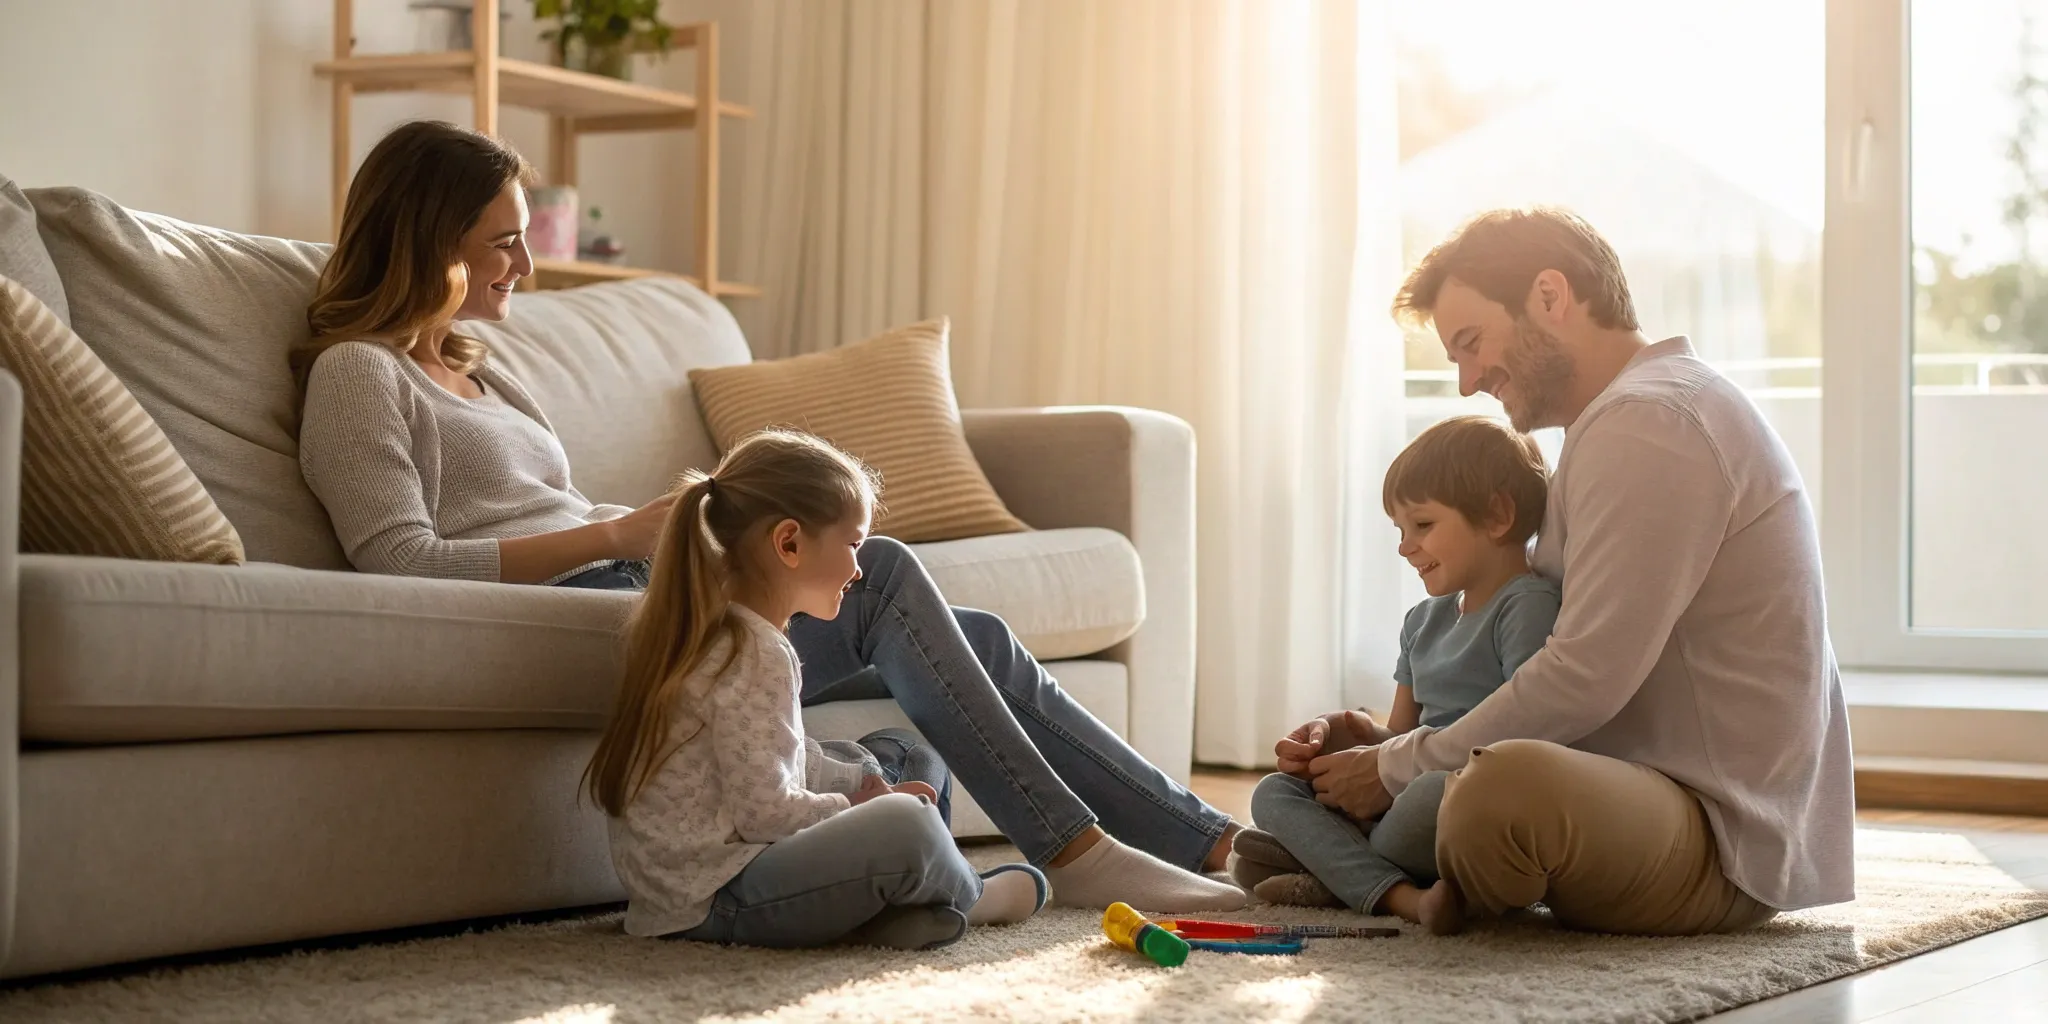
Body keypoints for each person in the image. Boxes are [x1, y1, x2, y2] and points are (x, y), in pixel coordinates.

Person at [293, 119, 1245, 913]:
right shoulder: (359, 374)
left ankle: (1212, 847)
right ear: (428, 238)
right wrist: (625, 536)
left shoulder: (482, 369)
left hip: (648, 581)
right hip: (604, 611)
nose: (527, 266)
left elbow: (558, 507)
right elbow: (400, 563)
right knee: (893, 577)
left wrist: (663, 532)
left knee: (979, 637)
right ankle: (1074, 852)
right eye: (504, 239)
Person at [1286, 207, 1854, 937]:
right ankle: (1356, 855)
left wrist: (1396, 768)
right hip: (1659, 801)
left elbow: (1583, 677)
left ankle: (1355, 863)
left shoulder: (1652, 423)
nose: (1465, 383)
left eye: (1471, 343)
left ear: (1550, 296)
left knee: (1498, 790)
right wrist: (1385, 744)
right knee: (1442, 780)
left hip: (1716, 837)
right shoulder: (1624, 421)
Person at [583, 428, 1045, 948]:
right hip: (718, 897)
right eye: (853, 544)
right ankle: (969, 894)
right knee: (903, 824)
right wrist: (862, 807)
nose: (859, 567)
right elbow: (765, 815)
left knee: (904, 752)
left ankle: (897, 910)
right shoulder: (752, 651)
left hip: (713, 886)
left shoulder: (720, 632)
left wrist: (858, 781)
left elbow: (786, 758)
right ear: (789, 543)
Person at [1232, 416, 1558, 929]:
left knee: (1436, 794)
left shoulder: (1526, 605)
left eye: (1423, 525)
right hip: (1399, 800)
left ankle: (1338, 872)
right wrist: (1349, 733)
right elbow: (1398, 736)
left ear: (1496, 515)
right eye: (1400, 530)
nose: (1406, 546)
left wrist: (1394, 766)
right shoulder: (1421, 621)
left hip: (1454, 794)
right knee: (1271, 793)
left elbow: (1530, 732)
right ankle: (1404, 895)